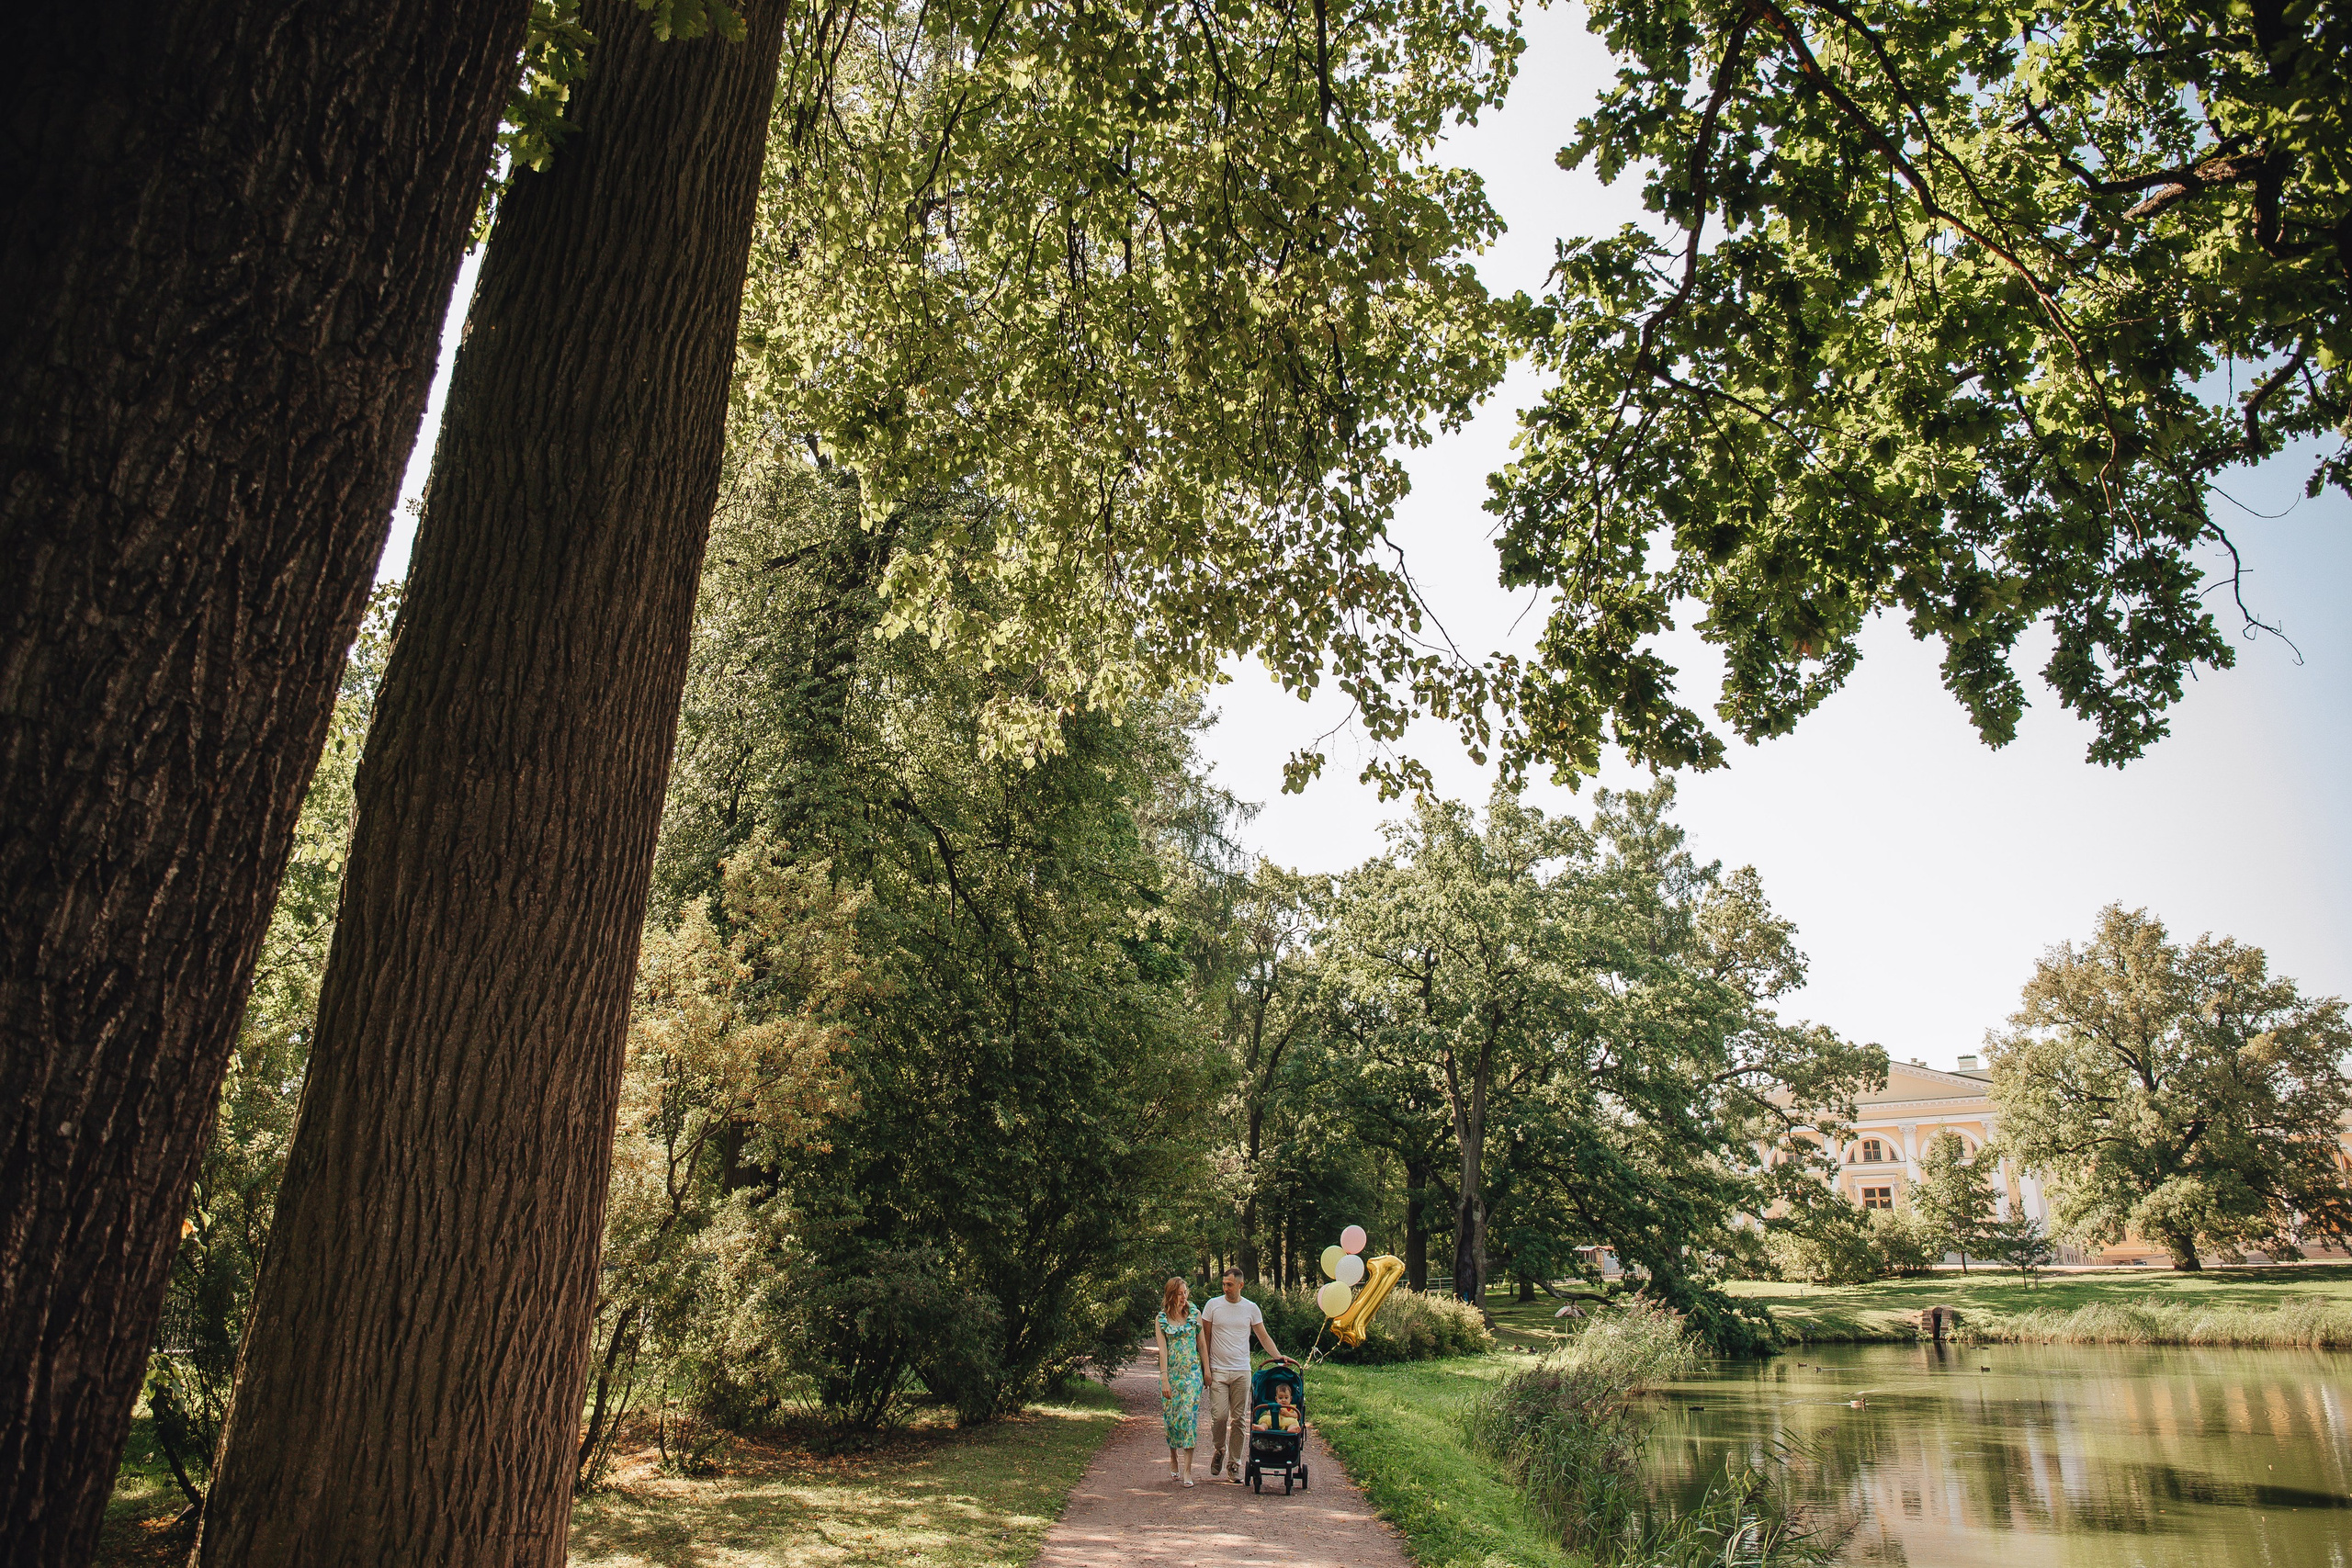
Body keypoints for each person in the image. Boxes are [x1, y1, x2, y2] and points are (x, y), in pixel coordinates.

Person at [1198, 1266, 1284, 1481]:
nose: (1225, 1288)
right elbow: (1204, 1340)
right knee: (1219, 1417)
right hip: (1218, 1370)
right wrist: (1205, 1369)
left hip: (1241, 1371)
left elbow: (1263, 1336)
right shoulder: (1212, 1306)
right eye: (1223, 1284)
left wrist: (1278, 1357)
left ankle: (1234, 1464)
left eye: (1229, 1284)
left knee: (1238, 1420)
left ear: (1241, 1285)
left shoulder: (1251, 1308)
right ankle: (1220, 1448)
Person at [1154, 1276, 1204, 1485]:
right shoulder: (1161, 1319)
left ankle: (1187, 1471)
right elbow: (1163, 1351)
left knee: (1188, 1416)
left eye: (1185, 1293)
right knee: (1172, 1419)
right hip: (1172, 1376)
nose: (1184, 1298)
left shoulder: (1195, 1314)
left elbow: (1202, 1345)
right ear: (1170, 1296)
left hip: (1192, 1374)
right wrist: (1164, 1378)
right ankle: (1173, 1456)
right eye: (1179, 1294)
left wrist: (1207, 1372)